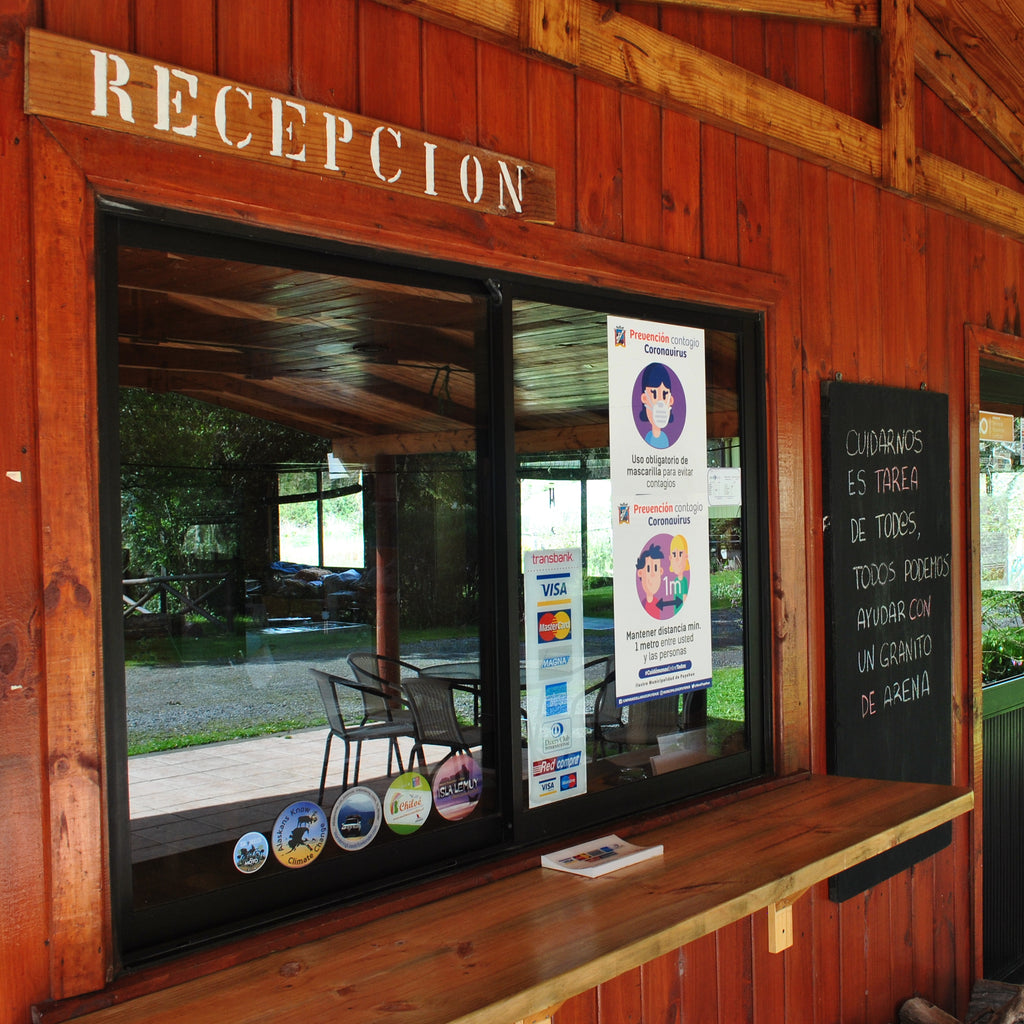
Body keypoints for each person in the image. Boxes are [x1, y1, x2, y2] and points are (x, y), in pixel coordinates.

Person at [638, 362, 675, 449]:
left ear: (670, 400)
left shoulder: (665, 439)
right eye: (654, 394)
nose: (660, 402)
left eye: (664, 394)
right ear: (644, 398)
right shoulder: (647, 438)